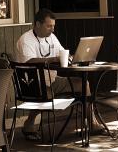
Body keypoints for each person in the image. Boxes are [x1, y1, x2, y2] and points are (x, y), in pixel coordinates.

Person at [16, 8, 102, 140]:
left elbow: (62, 53)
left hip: (52, 80)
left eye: (53, 26)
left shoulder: (52, 38)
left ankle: (92, 122)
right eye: (49, 26)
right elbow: (29, 61)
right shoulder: (26, 40)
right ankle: (30, 123)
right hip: (32, 84)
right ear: (38, 24)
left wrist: (75, 58)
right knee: (46, 92)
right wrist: (53, 59)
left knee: (83, 84)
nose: (52, 29)